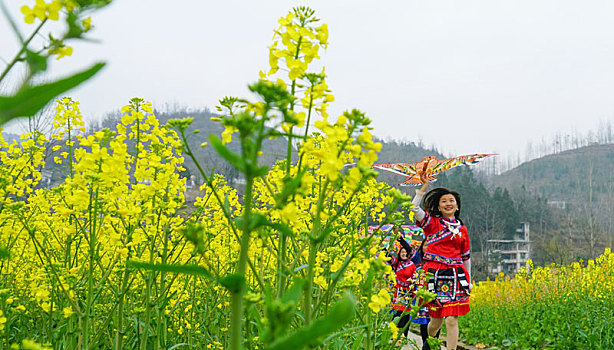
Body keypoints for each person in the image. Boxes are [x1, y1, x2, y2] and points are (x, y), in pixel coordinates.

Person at [411, 175, 472, 350]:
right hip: (433, 275)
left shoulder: (462, 230)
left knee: (452, 319)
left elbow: (466, 257)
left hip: (455, 275)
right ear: (438, 206)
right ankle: (429, 344)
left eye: (451, 201)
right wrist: (423, 188)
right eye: (443, 201)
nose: (448, 204)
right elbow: (414, 208)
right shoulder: (432, 223)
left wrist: (469, 281)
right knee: (436, 321)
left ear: (457, 205)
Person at [386, 231, 417, 343]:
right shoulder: (396, 263)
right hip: (398, 292)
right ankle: (395, 336)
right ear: (399, 254)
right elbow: (388, 257)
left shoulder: (412, 264)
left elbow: (415, 278)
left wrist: (400, 239)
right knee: (397, 314)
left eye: (405, 252)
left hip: (408, 292)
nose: (404, 254)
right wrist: (381, 248)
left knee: (406, 315)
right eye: (402, 252)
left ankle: (404, 336)